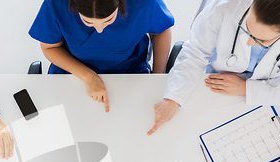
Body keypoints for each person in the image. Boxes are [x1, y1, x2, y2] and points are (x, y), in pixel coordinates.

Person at [148, 0, 280, 135]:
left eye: (261, 41)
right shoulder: (226, 5)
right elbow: (195, 52)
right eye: (246, 28)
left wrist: (246, 88)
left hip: (268, 95)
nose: (249, 42)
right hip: (214, 84)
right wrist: (173, 97)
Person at [29, 0, 174, 112]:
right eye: (87, 22)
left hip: (130, 74)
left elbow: (161, 31)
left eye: (108, 20)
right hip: (72, 75)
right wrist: (88, 76)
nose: (99, 30)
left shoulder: (144, 4)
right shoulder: (56, 4)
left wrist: (157, 78)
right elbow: (50, 47)